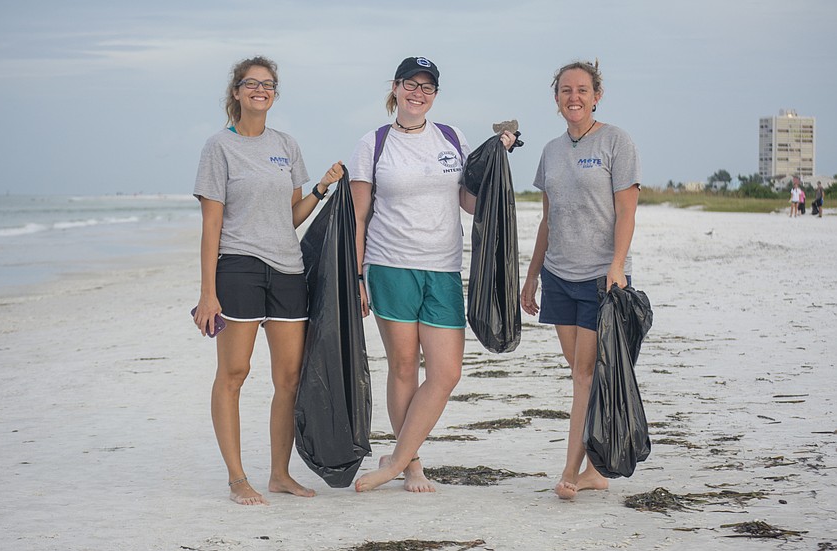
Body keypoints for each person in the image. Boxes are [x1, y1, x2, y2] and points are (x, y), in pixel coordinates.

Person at [348, 56, 516, 492]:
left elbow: (468, 202)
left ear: (435, 95)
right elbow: (358, 217)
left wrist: (496, 161)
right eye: (411, 85)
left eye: (427, 88)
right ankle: (412, 464)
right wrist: (357, 277)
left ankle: (395, 459)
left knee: (446, 373)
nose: (418, 94)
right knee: (404, 367)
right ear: (396, 87)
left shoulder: (452, 137)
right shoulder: (374, 143)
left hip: (443, 268)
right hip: (390, 266)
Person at [192, 56, 344, 505]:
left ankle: (279, 473)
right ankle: (238, 478)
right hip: (237, 267)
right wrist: (207, 293)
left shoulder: (286, 145)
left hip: (287, 269)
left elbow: (290, 217)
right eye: (252, 83)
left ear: (275, 94)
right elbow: (211, 226)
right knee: (235, 372)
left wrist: (319, 190)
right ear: (236, 92)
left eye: (269, 84)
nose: (261, 89)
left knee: (290, 378)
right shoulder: (218, 147)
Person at [520, 59, 641, 500]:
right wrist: (531, 276)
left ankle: (573, 469)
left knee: (586, 376)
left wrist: (617, 265)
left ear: (597, 95)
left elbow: (627, 211)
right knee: (581, 372)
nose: (574, 97)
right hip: (558, 275)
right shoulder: (551, 151)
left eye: (583, 90)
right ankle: (597, 467)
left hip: (599, 279)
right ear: (556, 99)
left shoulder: (616, 142)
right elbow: (548, 219)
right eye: (566, 91)